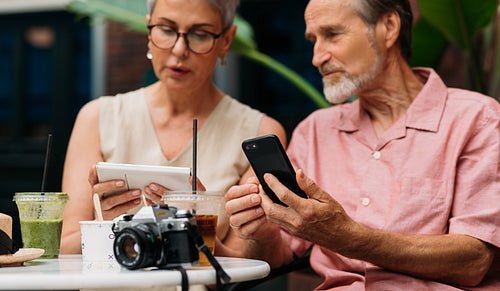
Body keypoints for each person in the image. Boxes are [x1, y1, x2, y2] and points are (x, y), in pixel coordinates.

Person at [225, 0, 500, 289]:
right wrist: (263, 234)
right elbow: (279, 258)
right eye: (313, 40)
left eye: (332, 34)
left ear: (389, 27)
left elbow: (474, 261)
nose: (317, 57)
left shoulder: (477, 119)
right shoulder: (315, 131)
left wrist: (347, 237)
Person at [60, 0, 286, 255]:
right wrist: (107, 225)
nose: (179, 50)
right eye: (166, 30)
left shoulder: (257, 131)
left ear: (225, 41)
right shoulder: (97, 117)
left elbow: (242, 265)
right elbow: (66, 250)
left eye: (200, 34)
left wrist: (198, 230)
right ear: (149, 31)